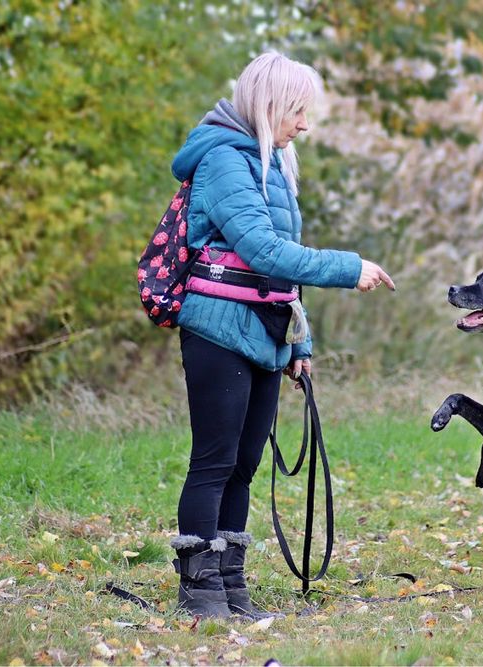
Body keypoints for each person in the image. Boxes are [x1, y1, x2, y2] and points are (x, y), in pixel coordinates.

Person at [168, 51, 395, 620]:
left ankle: (230, 586)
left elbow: (281, 270)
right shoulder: (224, 159)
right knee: (215, 462)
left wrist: (300, 345)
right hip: (218, 329)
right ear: (269, 106)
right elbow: (263, 251)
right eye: (297, 111)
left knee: (246, 464)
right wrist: (350, 268)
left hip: (267, 334)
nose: (304, 124)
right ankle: (198, 593)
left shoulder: (274, 163)